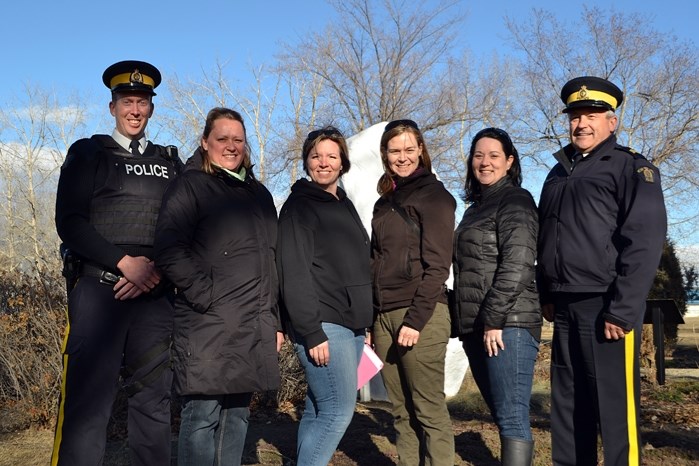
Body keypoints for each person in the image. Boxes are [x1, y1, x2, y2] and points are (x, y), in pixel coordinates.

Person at [52, 60, 182, 466]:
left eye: (142, 102)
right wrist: (125, 262)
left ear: (152, 109)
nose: (135, 110)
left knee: (154, 407)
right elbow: (69, 223)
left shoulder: (170, 162)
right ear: (112, 107)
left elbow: (183, 228)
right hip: (98, 293)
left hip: (154, 297)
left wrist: (154, 270)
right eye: (128, 101)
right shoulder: (88, 152)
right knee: (88, 407)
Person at [537, 76, 667, 466]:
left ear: (612, 122)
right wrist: (546, 293)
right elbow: (548, 236)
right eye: (575, 115)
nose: (582, 124)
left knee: (614, 408)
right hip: (563, 305)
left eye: (592, 115)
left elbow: (643, 241)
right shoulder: (557, 173)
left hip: (606, 306)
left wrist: (624, 309)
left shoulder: (631, 168)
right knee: (567, 404)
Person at [153, 107, 282, 466]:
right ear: (205, 142)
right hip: (206, 323)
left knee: (237, 416)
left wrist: (274, 319)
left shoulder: (259, 195)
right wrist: (207, 296)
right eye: (222, 138)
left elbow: (271, 262)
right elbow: (168, 249)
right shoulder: (190, 184)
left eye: (238, 139)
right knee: (201, 416)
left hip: (252, 324)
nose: (231, 146)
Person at [276, 126, 373, 465]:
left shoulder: (342, 204)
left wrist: (367, 320)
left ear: (343, 162)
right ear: (306, 161)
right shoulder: (299, 207)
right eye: (316, 156)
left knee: (319, 409)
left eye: (332, 156)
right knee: (337, 411)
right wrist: (311, 330)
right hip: (324, 324)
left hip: (353, 324)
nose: (324, 162)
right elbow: (294, 273)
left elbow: (355, 265)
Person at [451, 127, 541, 466]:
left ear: (509, 161)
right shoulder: (477, 207)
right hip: (479, 326)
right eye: (478, 155)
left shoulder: (515, 200)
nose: (484, 162)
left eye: (493, 155)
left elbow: (518, 265)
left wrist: (492, 319)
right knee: (502, 412)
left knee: (511, 414)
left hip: (508, 325)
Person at [371, 119, 456, 466]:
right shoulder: (384, 201)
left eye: (409, 149)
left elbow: (439, 266)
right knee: (401, 412)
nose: (402, 157)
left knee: (428, 409)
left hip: (421, 314)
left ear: (421, 150)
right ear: (385, 154)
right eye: (395, 150)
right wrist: (369, 318)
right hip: (383, 317)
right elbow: (375, 259)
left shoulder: (434, 196)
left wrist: (416, 320)